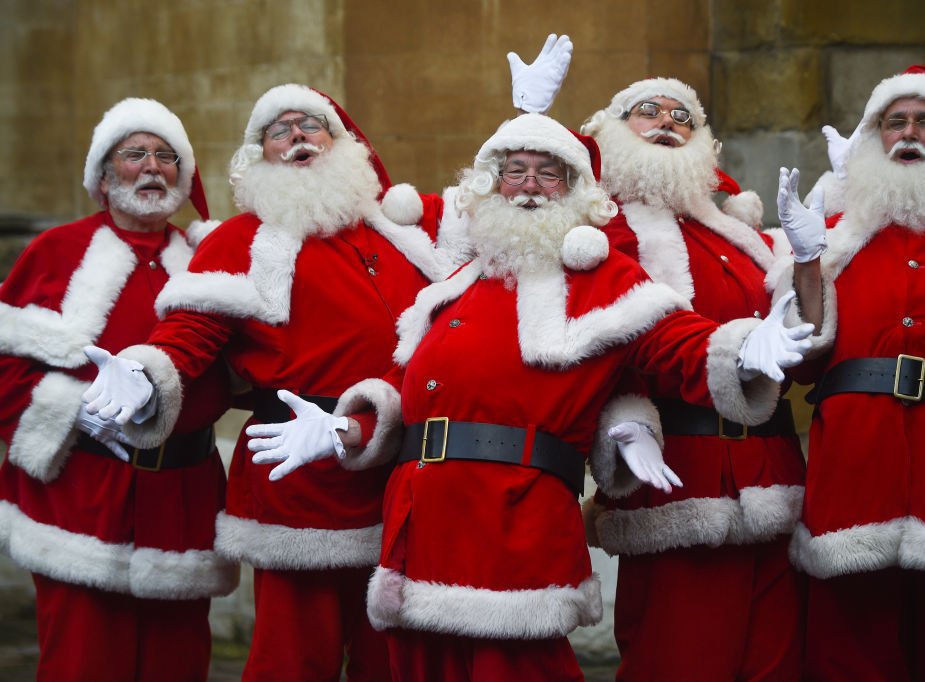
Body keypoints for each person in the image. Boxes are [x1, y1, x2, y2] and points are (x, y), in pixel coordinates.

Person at [240, 112, 815, 681]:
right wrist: (347, 430)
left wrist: (740, 348)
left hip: (515, 521)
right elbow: (402, 388)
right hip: (420, 525)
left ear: (575, 192)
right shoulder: (453, 285)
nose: (530, 185)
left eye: (549, 173)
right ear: (490, 185)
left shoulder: (602, 277)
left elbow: (675, 342)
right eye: (515, 171)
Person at [82, 84, 452, 682]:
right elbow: (190, 331)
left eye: (310, 124)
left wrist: (531, 116)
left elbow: (524, 195)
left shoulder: (403, 231)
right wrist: (146, 373)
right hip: (300, 477)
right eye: (277, 131)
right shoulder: (243, 239)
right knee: (294, 658)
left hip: (400, 472)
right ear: (260, 156)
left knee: (395, 659)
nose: (297, 137)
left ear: (345, 142)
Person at [776, 65, 925, 681]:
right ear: (875, 138)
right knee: (846, 652)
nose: (908, 135)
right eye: (895, 122)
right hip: (856, 468)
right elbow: (799, 361)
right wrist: (806, 265)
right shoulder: (836, 241)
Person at [0, 98, 237, 682]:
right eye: (135, 155)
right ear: (104, 177)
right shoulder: (54, 252)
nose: (152, 167)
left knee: (177, 663)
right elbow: (5, 372)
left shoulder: (208, 261)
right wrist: (77, 411)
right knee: (83, 662)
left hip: (181, 500)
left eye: (166, 156)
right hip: (83, 497)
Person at [579, 77, 805, 680]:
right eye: (646, 112)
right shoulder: (603, 230)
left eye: (684, 116)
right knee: (679, 660)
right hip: (681, 475)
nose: (667, 123)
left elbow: (798, 340)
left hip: (772, 471)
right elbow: (606, 345)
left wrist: (807, 265)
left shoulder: (738, 231)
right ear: (611, 129)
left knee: (774, 664)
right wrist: (623, 424)